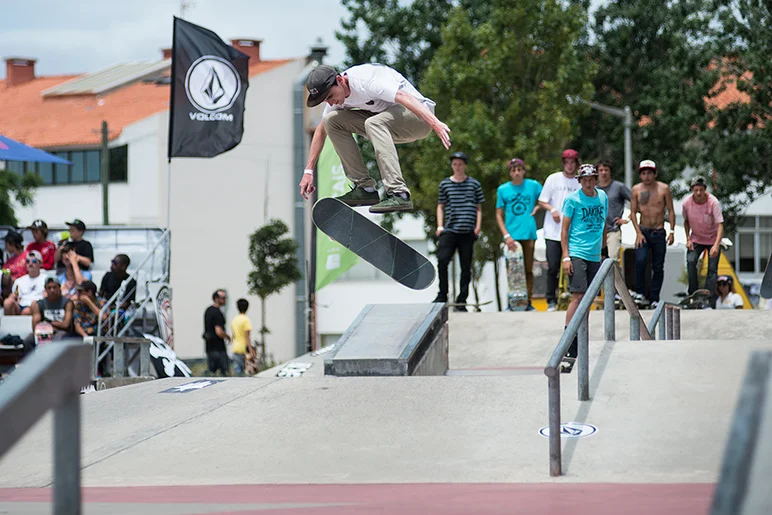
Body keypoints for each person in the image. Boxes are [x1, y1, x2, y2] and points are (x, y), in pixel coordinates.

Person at [298, 63, 451, 213]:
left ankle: (399, 193)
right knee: (331, 121)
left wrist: (435, 123)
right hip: (387, 124)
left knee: (373, 123)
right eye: (326, 100)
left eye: (330, 96)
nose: (331, 102)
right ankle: (365, 189)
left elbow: (403, 97)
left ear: (339, 80)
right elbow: (320, 131)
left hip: (418, 117)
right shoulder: (337, 99)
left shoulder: (365, 81)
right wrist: (308, 171)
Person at [560, 164, 608, 359]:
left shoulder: (602, 197)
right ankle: (568, 338)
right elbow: (564, 230)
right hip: (577, 252)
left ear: (596, 180)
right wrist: (566, 256)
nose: (588, 184)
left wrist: (604, 250)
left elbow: (603, 224)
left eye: (591, 180)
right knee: (578, 295)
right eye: (585, 180)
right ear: (579, 181)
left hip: (595, 254)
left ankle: (581, 334)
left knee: (588, 299)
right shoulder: (572, 200)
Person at [433, 151, 485, 311]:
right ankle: (442, 294)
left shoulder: (474, 184)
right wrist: (440, 226)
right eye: (454, 164)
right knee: (442, 260)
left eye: (460, 164)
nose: (457, 167)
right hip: (450, 229)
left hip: (467, 230)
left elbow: (479, 207)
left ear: (465, 166)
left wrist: (477, 227)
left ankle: (462, 300)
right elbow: (440, 206)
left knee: (466, 266)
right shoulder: (445, 184)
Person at [495, 158, 542, 310]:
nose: (516, 173)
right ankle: (512, 303)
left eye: (519, 170)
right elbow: (498, 215)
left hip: (528, 233)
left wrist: (538, 207)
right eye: (513, 170)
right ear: (510, 173)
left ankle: (527, 302)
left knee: (528, 269)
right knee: (513, 271)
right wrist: (506, 235)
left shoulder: (533, 185)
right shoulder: (503, 189)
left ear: (524, 171)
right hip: (512, 236)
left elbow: (546, 198)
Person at [538, 149, 582, 311]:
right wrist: (552, 209)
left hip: (573, 232)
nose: (569, 166)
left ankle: (573, 297)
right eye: (567, 163)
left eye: (572, 163)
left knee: (574, 266)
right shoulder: (553, 179)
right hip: (553, 231)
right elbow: (542, 200)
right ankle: (551, 299)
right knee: (553, 266)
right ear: (563, 164)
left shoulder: (579, 182)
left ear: (576, 164)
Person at [629, 160, 676, 308]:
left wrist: (672, 231)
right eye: (643, 173)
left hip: (658, 231)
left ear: (655, 174)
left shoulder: (663, 189)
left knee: (658, 266)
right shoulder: (636, 189)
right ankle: (640, 293)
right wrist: (638, 233)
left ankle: (654, 298)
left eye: (649, 173)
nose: (646, 176)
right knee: (640, 261)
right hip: (643, 230)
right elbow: (632, 212)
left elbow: (671, 210)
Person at [682, 176, 724, 305]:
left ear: (705, 189)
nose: (699, 193)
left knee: (712, 268)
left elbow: (720, 225)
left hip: (712, 239)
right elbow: (686, 222)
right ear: (692, 190)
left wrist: (716, 245)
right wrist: (688, 239)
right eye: (696, 190)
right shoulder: (686, 203)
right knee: (690, 261)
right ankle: (693, 292)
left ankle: (708, 295)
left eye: (701, 190)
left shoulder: (713, 202)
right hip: (696, 238)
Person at [596, 160, 631, 263]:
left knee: (611, 261)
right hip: (597, 231)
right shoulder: (594, 189)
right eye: (601, 170)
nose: (603, 173)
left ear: (610, 172)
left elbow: (635, 202)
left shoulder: (618, 187)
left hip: (613, 230)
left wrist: (627, 219)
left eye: (606, 170)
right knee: (597, 262)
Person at [4, 250, 47, 316]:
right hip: (21, 305)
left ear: (40, 264)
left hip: (37, 306)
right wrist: (11, 298)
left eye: (34, 261)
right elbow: (15, 294)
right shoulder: (19, 281)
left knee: (28, 310)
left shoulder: (46, 279)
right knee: (7, 303)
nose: (30, 264)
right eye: (27, 261)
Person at [203, 289, 231, 376]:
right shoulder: (217, 313)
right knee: (223, 374)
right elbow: (218, 331)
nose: (225, 300)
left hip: (209, 347)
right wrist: (227, 336)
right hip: (219, 348)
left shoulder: (208, 310)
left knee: (212, 374)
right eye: (223, 298)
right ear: (216, 298)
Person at [230, 298, 255, 376]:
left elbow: (234, 335)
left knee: (238, 374)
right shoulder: (246, 320)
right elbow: (247, 337)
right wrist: (251, 350)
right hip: (244, 350)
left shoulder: (234, 320)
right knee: (245, 374)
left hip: (235, 348)